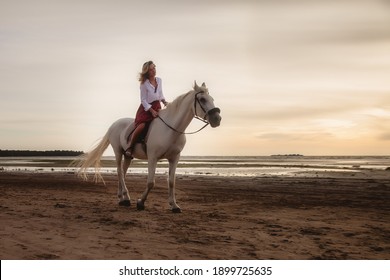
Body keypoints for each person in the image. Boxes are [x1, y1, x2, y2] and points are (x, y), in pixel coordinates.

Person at [125, 61, 168, 158]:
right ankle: (130, 147)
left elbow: (160, 94)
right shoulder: (144, 84)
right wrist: (151, 111)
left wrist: (165, 102)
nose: (154, 71)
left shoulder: (159, 80)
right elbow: (143, 100)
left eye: (154, 68)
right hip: (146, 109)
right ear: (147, 72)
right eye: (151, 69)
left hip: (157, 106)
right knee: (142, 126)